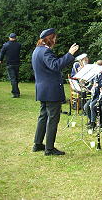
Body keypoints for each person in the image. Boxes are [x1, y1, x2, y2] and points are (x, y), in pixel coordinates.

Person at [32, 28, 79, 156]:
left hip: (42, 89)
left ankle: (37, 144)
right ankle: (49, 148)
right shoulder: (46, 52)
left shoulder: (37, 51)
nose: (55, 40)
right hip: (51, 91)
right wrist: (69, 54)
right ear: (49, 38)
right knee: (53, 118)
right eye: (54, 38)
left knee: (43, 116)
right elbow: (56, 65)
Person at [84, 60, 102, 129]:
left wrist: (98, 85)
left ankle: (93, 123)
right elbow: (91, 84)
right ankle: (91, 120)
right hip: (94, 95)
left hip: (101, 96)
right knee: (86, 106)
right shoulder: (95, 75)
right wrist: (88, 86)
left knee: (91, 105)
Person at [0, 33, 22, 98]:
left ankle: (16, 93)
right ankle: (16, 91)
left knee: (13, 79)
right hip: (17, 63)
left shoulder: (6, 45)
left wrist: (1, 59)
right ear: (15, 38)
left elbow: (2, 53)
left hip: (9, 64)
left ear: (9, 37)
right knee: (16, 78)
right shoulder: (18, 45)